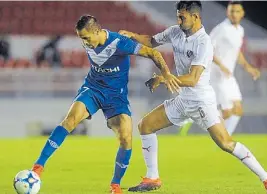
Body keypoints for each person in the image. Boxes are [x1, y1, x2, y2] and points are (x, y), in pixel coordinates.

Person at [119, 1, 267, 193]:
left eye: (182, 17)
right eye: (178, 15)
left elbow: (193, 79)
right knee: (145, 125)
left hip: (201, 101)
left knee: (226, 143)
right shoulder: (175, 31)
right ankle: (153, 178)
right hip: (182, 100)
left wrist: (164, 78)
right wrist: (132, 36)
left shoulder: (204, 42)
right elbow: (152, 41)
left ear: (195, 17)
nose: (179, 20)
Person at [30, 15, 180, 194]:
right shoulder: (89, 42)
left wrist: (166, 74)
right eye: (81, 38)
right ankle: (38, 167)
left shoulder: (120, 43)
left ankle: (115, 185)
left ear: (97, 31)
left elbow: (153, 53)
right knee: (70, 120)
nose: (84, 42)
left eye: (86, 38)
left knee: (126, 138)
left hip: (116, 98)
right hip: (93, 89)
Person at [210, 1, 260, 135]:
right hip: (216, 76)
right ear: (227, 12)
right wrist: (221, 66)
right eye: (231, 11)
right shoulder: (221, 29)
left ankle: (225, 138)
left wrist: (248, 68)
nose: (234, 14)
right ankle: (199, 117)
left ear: (242, 13)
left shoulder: (240, 30)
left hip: (228, 76)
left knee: (238, 110)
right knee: (227, 111)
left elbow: (237, 51)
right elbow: (207, 50)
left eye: (237, 11)